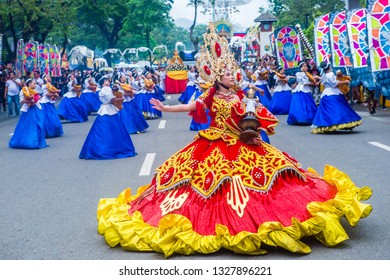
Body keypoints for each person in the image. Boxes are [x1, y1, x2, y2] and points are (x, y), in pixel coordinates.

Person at [96, 24, 372, 257]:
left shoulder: (240, 95)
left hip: (243, 141)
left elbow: (252, 115)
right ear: (218, 78)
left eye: (233, 73)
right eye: (228, 73)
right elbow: (191, 108)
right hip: (213, 145)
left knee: (274, 176)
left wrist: (254, 115)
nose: (233, 75)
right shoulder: (210, 96)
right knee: (202, 183)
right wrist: (166, 108)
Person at [79, 77, 137, 160]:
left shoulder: (107, 89)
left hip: (107, 108)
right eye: (106, 81)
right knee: (112, 129)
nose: (108, 82)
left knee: (103, 129)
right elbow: (112, 99)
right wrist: (121, 98)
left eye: (108, 80)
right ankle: (110, 148)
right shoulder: (106, 89)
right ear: (103, 83)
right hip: (107, 108)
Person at [311, 61, 362, 134]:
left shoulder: (324, 75)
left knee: (327, 110)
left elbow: (323, 81)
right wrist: (345, 81)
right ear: (329, 67)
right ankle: (343, 123)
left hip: (326, 93)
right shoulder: (330, 74)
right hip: (333, 92)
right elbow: (334, 84)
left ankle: (327, 124)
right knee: (340, 108)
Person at [9, 79, 48, 149]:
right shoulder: (23, 91)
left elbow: (37, 98)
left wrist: (36, 99)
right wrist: (29, 101)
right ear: (29, 84)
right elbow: (21, 101)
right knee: (28, 125)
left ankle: (38, 140)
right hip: (28, 110)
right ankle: (30, 141)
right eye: (34, 83)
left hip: (36, 108)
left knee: (40, 124)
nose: (35, 85)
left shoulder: (35, 91)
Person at [287, 61, 318, 125]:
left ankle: (297, 118)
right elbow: (305, 83)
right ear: (301, 67)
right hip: (303, 88)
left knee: (298, 104)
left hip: (299, 88)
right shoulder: (304, 74)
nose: (306, 67)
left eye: (306, 66)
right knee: (304, 103)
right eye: (304, 66)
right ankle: (304, 118)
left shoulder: (298, 73)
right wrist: (314, 83)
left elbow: (298, 81)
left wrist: (295, 85)